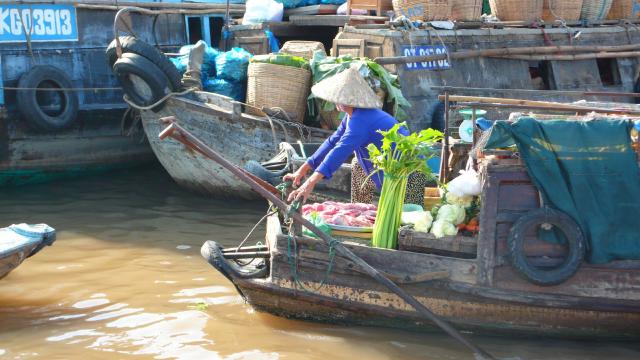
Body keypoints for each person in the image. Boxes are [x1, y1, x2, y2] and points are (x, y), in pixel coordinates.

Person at [285, 67, 427, 204]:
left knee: (406, 218)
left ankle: (372, 211)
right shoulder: (351, 116)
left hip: (407, 172)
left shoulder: (361, 121)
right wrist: (302, 170)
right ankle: (361, 208)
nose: (334, 101)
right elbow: (332, 142)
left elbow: (340, 151)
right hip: (388, 167)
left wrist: (310, 183)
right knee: (358, 163)